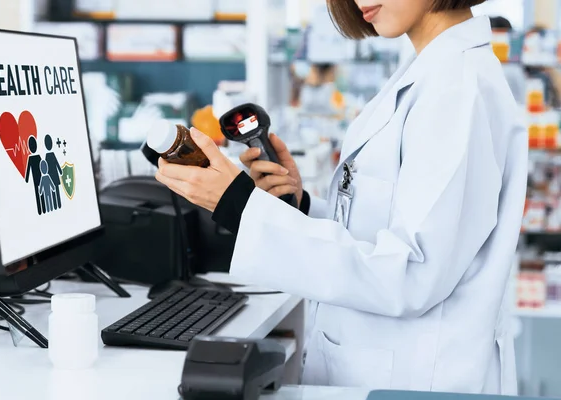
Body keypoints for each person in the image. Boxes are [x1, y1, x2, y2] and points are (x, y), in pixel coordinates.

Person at [155, 0, 527, 395]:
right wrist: (299, 208)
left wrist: (238, 205)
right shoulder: (430, 68)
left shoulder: (457, 87)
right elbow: (389, 225)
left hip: (415, 380)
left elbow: (411, 273)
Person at [25, 136, 44, 215]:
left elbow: (28, 170)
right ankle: (43, 208)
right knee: (41, 192)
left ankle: (40, 209)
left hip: (36, 179)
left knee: (37, 192)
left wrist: (27, 178)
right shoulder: (38, 157)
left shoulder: (31, 158)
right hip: (40, 177)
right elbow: (42, 167)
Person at [44, 134, 63, 210]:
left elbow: (56, 163)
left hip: (53, 176)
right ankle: (56, 205)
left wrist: (60, 171)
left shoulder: (49, 155)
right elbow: (55, 164)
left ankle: (57, 204)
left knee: (56, 190)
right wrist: (60, 171)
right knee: (55, 190)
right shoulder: (48, 155)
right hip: (53, 175)